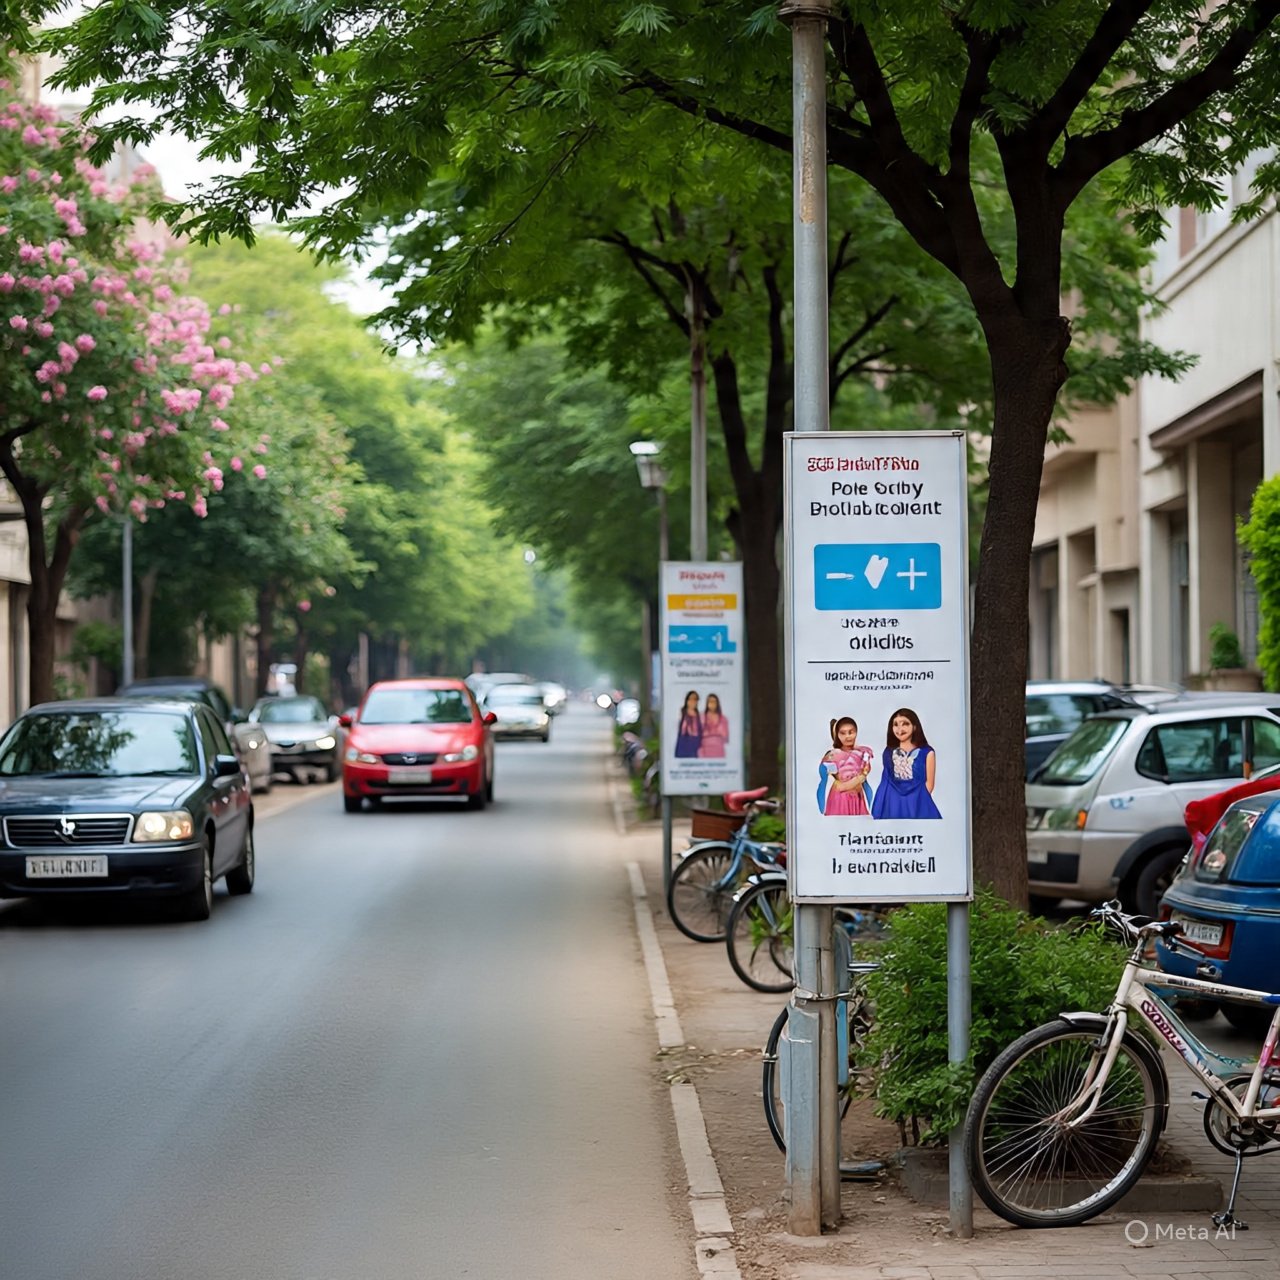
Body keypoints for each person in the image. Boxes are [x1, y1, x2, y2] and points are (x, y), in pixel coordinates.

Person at [871, 707, 941, 820]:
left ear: (914, 726)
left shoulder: (927, 752)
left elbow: (929, 785)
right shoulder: (889, 752)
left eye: (905, 724)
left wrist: (916, 800)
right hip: (892, 803)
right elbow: (886, 780)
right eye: (896, 724)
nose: (900, 729)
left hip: (917, 802)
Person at [819, 716, 874, 816]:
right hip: (840, 800)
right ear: (837, 735)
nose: (847, 736)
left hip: (858, 798)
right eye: (842, 733)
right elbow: (826, 782)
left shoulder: (861, 754)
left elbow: (866, 784)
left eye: (851, 732)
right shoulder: (833, 756)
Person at [698, 694, 729, 758]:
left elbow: (726, 738)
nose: (712, 703)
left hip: (718, 749)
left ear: (717, 703)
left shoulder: (723, 719)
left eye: (714, 701)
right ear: (707, 703)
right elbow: (698, 734)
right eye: (710, 701)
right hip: (705, 749)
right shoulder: (701, 717)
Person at [674, 691, 702, 758]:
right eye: (690, 699)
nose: (692, 701)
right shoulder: (682, 712)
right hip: (683, 742)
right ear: (687, 700)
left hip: (695, 742)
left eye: (695, 699)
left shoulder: (699, 715)